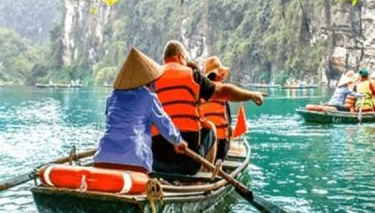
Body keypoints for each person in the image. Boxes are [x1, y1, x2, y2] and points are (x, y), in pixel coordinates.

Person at [152, 40, 264, 176]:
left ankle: (161, 179)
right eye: (185, 59)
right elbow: (224, 91)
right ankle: (203, 176)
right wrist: (251, 94)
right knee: (211, 127)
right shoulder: (192, 76)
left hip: (156, 164)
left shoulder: (151, 78)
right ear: (181, 57)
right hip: (189, 164)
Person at [94, 47, 186, 173]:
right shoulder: (149, 97)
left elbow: (110, 124)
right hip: (135, 161)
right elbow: (165, 125)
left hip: (102, 158)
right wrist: (178, 141)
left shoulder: (112, 96)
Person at [200, 55, 233, 162]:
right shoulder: (222, 93)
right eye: (221, 74)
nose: (222, 77)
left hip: (204, 145)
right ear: (217, 75)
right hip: (220, 146)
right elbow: (229, 120)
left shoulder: (199, 92)